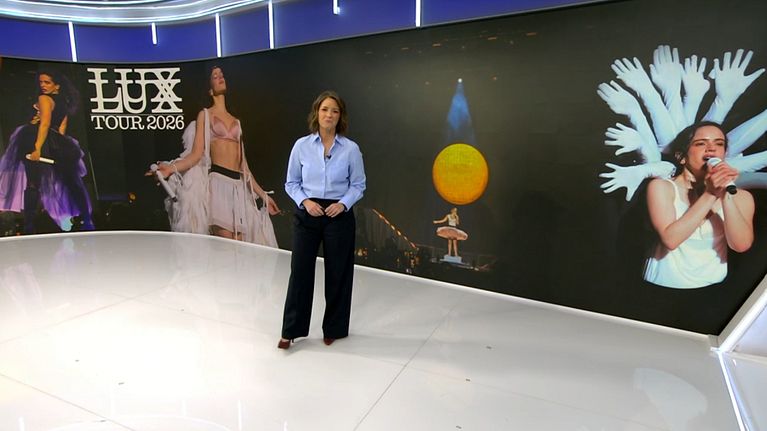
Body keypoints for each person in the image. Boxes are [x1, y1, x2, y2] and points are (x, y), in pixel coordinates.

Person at [278, 90, 366, 349]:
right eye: (325, 109)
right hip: (308, 211)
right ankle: (291, 330)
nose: (329, 115)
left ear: (341, 117)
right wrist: (305, 202)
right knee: (300, 272)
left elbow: (358, 185)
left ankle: (334, 329)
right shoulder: (301, 146)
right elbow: (291, 183)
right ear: (316, 113)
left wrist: (343, 204)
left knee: (339, 273)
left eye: (335, 111)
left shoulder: (351, 149)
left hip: (338, 214)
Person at [153, 66, 279, 242]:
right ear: (209, 89)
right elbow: (195, 155)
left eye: (222, 75)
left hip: (238, 188)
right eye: (215, 76)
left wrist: (264, 196)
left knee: (240, 247)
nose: (220, 77)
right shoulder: (205, 115)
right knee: (225, 244)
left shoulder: (236, 121)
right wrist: (171, 168)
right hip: (218, 183)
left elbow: (244, 167)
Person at [643, 121, 754, 289]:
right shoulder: (661, 187)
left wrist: (725, 194)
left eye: (719, 144)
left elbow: (741, 245)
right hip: (659, 288)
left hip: (713, 290)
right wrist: (711, 194)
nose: (711, 149)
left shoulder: (741, 197)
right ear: (681, 157)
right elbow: (671, 240)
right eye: (701, 143)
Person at [0, 70, 93, 234]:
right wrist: (60, 144)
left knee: (33, 184)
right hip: (56, 142)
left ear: (57, 85)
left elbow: (45, 124)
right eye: (41, 82)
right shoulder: (65, 101)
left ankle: (29, 225)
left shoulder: (44, 99)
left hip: (38, 139)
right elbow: (62, 127)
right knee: (71, 182)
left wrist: (37, 148)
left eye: (47, 82)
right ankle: (87, 219)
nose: (42, 85)